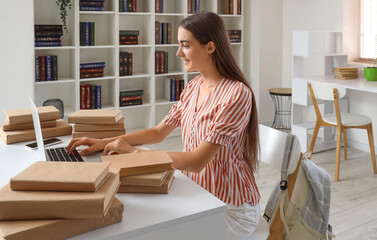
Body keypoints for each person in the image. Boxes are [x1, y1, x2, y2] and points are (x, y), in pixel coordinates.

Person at [67, 11, 261, 239]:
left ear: (210, 47)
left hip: (230, 207)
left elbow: (197, 161)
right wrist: (105, 142)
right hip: (197, 193)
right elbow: (159, 132)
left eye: (185, 45)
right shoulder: (194, 86)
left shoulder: (236, 94)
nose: (179, 53)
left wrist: (134, 154)